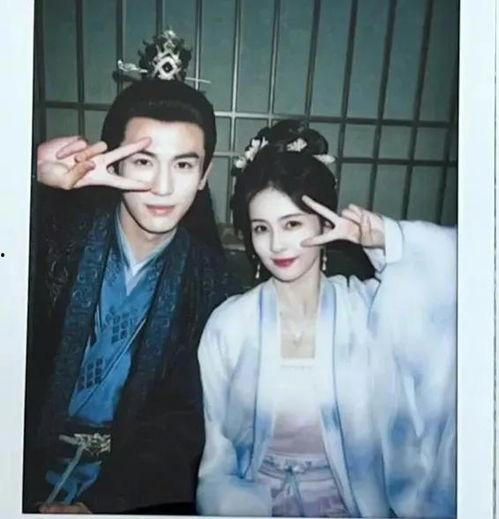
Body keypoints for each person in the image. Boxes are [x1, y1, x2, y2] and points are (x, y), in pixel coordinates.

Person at [23, 31, 240, 514]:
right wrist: (25, 177)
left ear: (204, 176)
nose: (162, 186)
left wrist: (101, 505)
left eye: (183, 165)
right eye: (143, 160)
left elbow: (183, 424)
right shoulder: (51, 236)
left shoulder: (213, 284)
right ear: (113, 160)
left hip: (126, 486)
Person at [196, 120, 456, 518]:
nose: (277, 244)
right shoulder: (228, 326)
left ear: (324, 222)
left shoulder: (367, 312)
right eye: (261, 228)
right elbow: (219, 461)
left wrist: (387, 239)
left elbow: (470, 274)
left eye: (292, 224)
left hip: (354, 507)